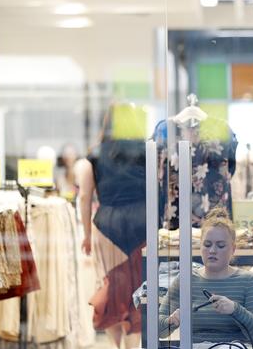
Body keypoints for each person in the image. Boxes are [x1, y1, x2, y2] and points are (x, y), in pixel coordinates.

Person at [75, 108, 146, 349]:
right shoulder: (147, 152)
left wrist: (85, 234)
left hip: (107, 224)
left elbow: (85, 197)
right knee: (138, 288)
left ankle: (116, 346)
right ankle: (133, 345)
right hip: (141, 224)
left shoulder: (94, 155)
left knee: (111, 288)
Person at [158, 208, 253, 346]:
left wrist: (236, 310)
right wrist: (171, 321)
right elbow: (157, 329)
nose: (212, 251)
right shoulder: (186, 280)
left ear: (233, 249)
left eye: (221, 245)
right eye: (207, 245)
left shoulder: (248, 281)